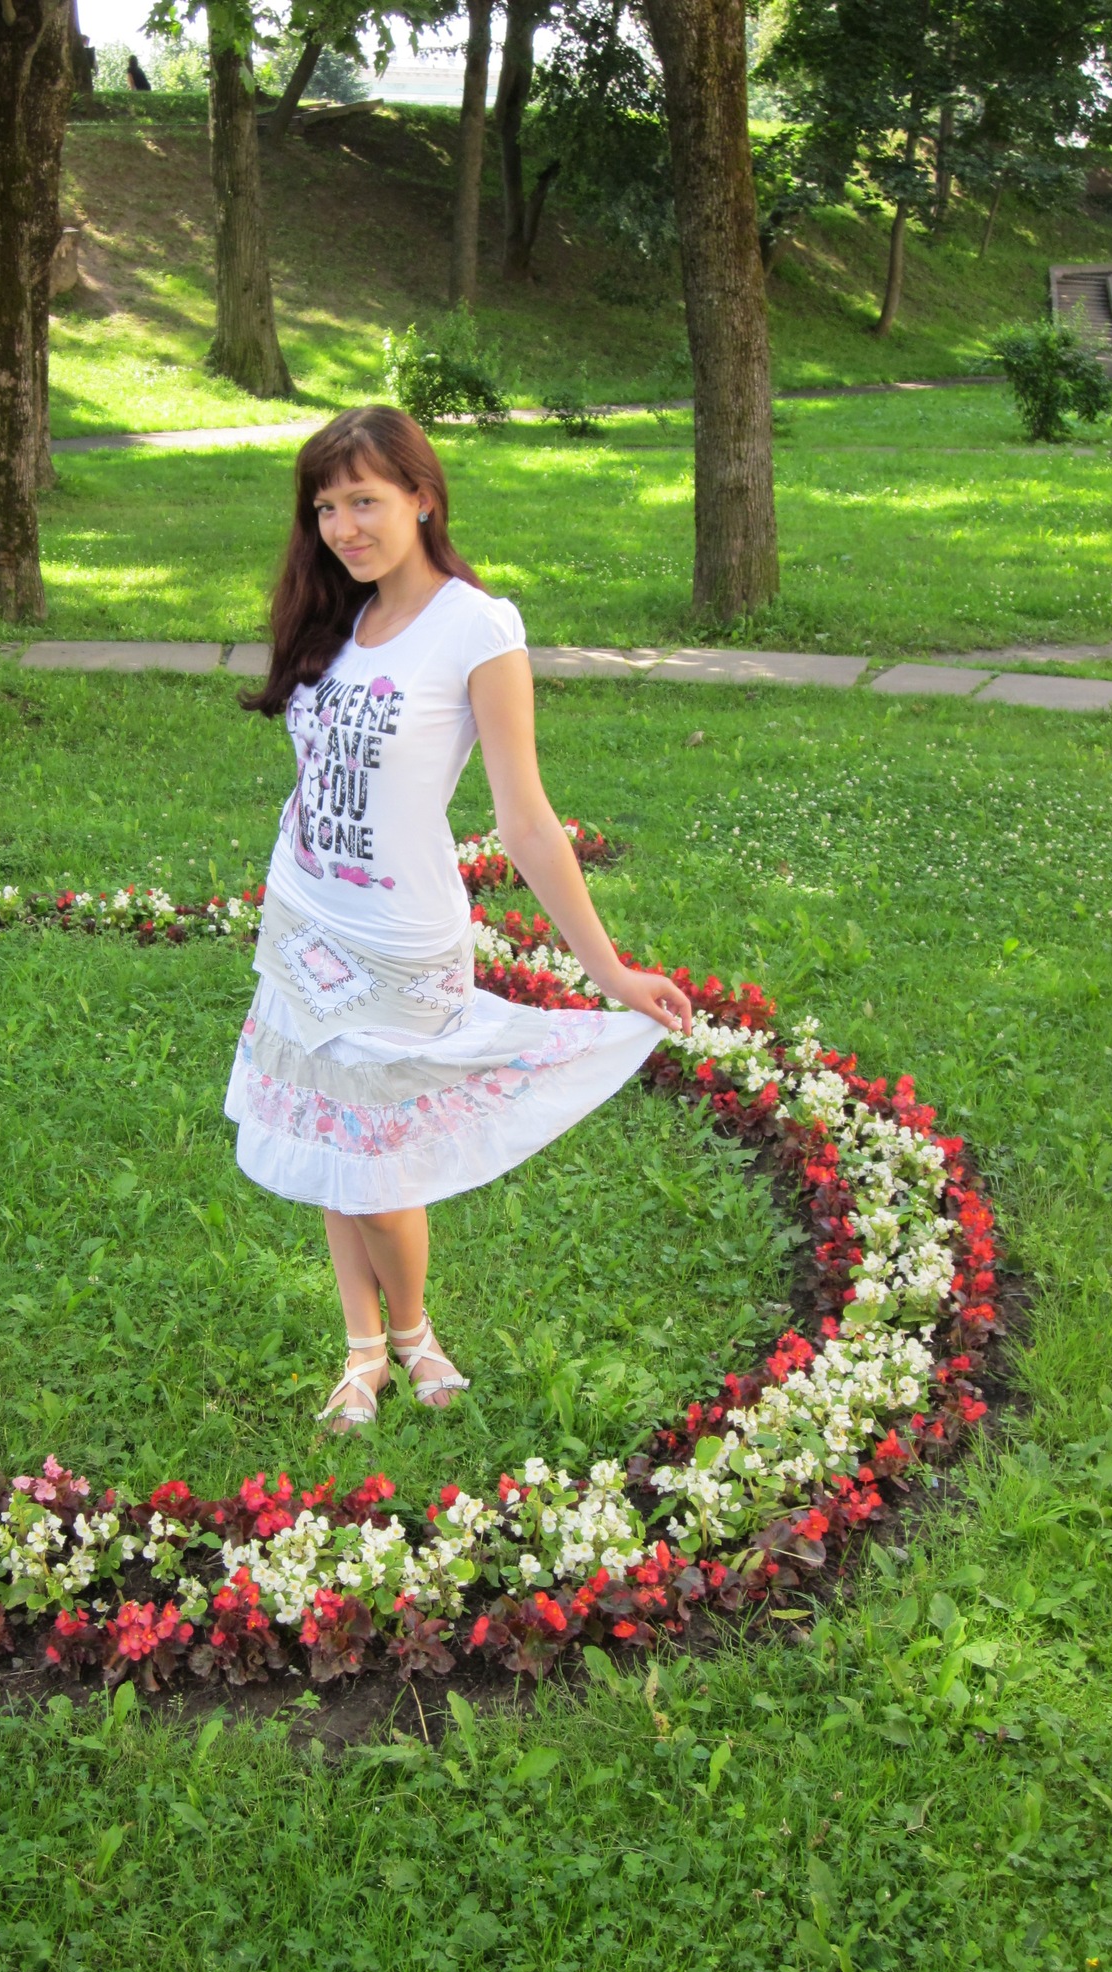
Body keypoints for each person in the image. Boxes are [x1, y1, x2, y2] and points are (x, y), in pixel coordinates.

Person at [223, 405, 693, 1432]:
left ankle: (413, 1330)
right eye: (326, 507)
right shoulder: (337, 617)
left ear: (422, 498)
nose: (344, 527)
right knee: (340, 1148)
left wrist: (609, 969)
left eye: (365, 501)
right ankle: (366, 1349)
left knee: (381, 1168)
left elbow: (524, 820)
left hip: (402, 946)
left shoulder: (477, 627)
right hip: (305, 922)